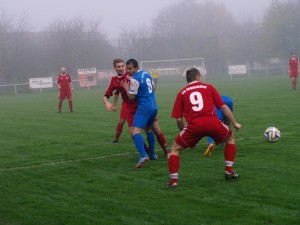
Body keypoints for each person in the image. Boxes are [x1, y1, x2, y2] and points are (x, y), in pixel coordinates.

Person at [168, 67, 241, 187]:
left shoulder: (181, 93)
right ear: (198, 77)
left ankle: (173, 181)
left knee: (175, 149)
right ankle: (228, 170)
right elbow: (223, 107)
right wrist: (235, 122)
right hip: (212, 122)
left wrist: (185, 134)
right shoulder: (209, 87)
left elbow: (179, 119)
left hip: (194, 126)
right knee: (230, 138)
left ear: (187, 80)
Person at [121, 59, 158, 168]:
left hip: (144, 107)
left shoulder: (134, 79)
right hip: (153, 106)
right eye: (127, 69)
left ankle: (143, 155)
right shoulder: (146, 73)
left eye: (130, 68)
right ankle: (152, 154)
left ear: (136, 68)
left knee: (134, 131)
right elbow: (154, 88)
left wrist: (127, 88)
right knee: (148, 129)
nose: (128, 71)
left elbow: (131, 97)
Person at [103, 58, 137, 143]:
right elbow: (113, 93)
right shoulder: (114, 80)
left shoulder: (130, 74)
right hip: (127, 103)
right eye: (118, 66)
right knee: (122, 122)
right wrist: (107, 103)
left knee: (151, 127)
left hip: (138, 101)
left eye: (122, 66)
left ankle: (161, 151)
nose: (121, 68)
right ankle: (116, 139)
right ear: (115, 68)